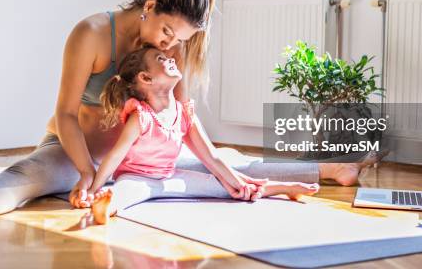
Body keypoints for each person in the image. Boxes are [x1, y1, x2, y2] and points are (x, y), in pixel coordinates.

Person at [0, 0, 373, 231]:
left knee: (225, 161)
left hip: (142, 156)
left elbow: (184, 120)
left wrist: (214, 164)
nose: (171, 46)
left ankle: (328, 170)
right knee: (29, 177)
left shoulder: (174, 49)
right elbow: (66, 113)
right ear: (148, 6)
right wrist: (88, 171)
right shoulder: (91, 33)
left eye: (180, 40)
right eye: (167, 31)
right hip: (78, 152)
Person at [87, 46, 320, 224]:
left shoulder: (184, 113)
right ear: (146, 78)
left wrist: (238, 182)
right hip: (136, 177)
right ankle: (105, 206)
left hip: (170, 177)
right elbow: (115, 156)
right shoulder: (141, 116)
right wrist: (93, 188)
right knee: (125, 193)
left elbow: (212, 158)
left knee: (223, 186)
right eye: (160, 59)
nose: (169, 59)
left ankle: (279, 188)